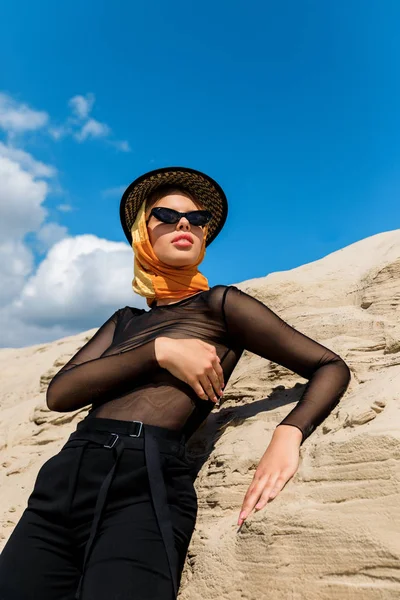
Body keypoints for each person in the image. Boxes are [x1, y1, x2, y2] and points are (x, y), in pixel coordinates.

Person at [0, 166, 351, 600]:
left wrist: (288, 432)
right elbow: (61, 393)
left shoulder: (221, 305)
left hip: (144, 485)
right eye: (165, 215)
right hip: (63, 481)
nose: (185, 223)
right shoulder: (125, 322)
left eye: (197, 219)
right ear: (141, 233)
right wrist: (159, 351)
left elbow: (329, 365)